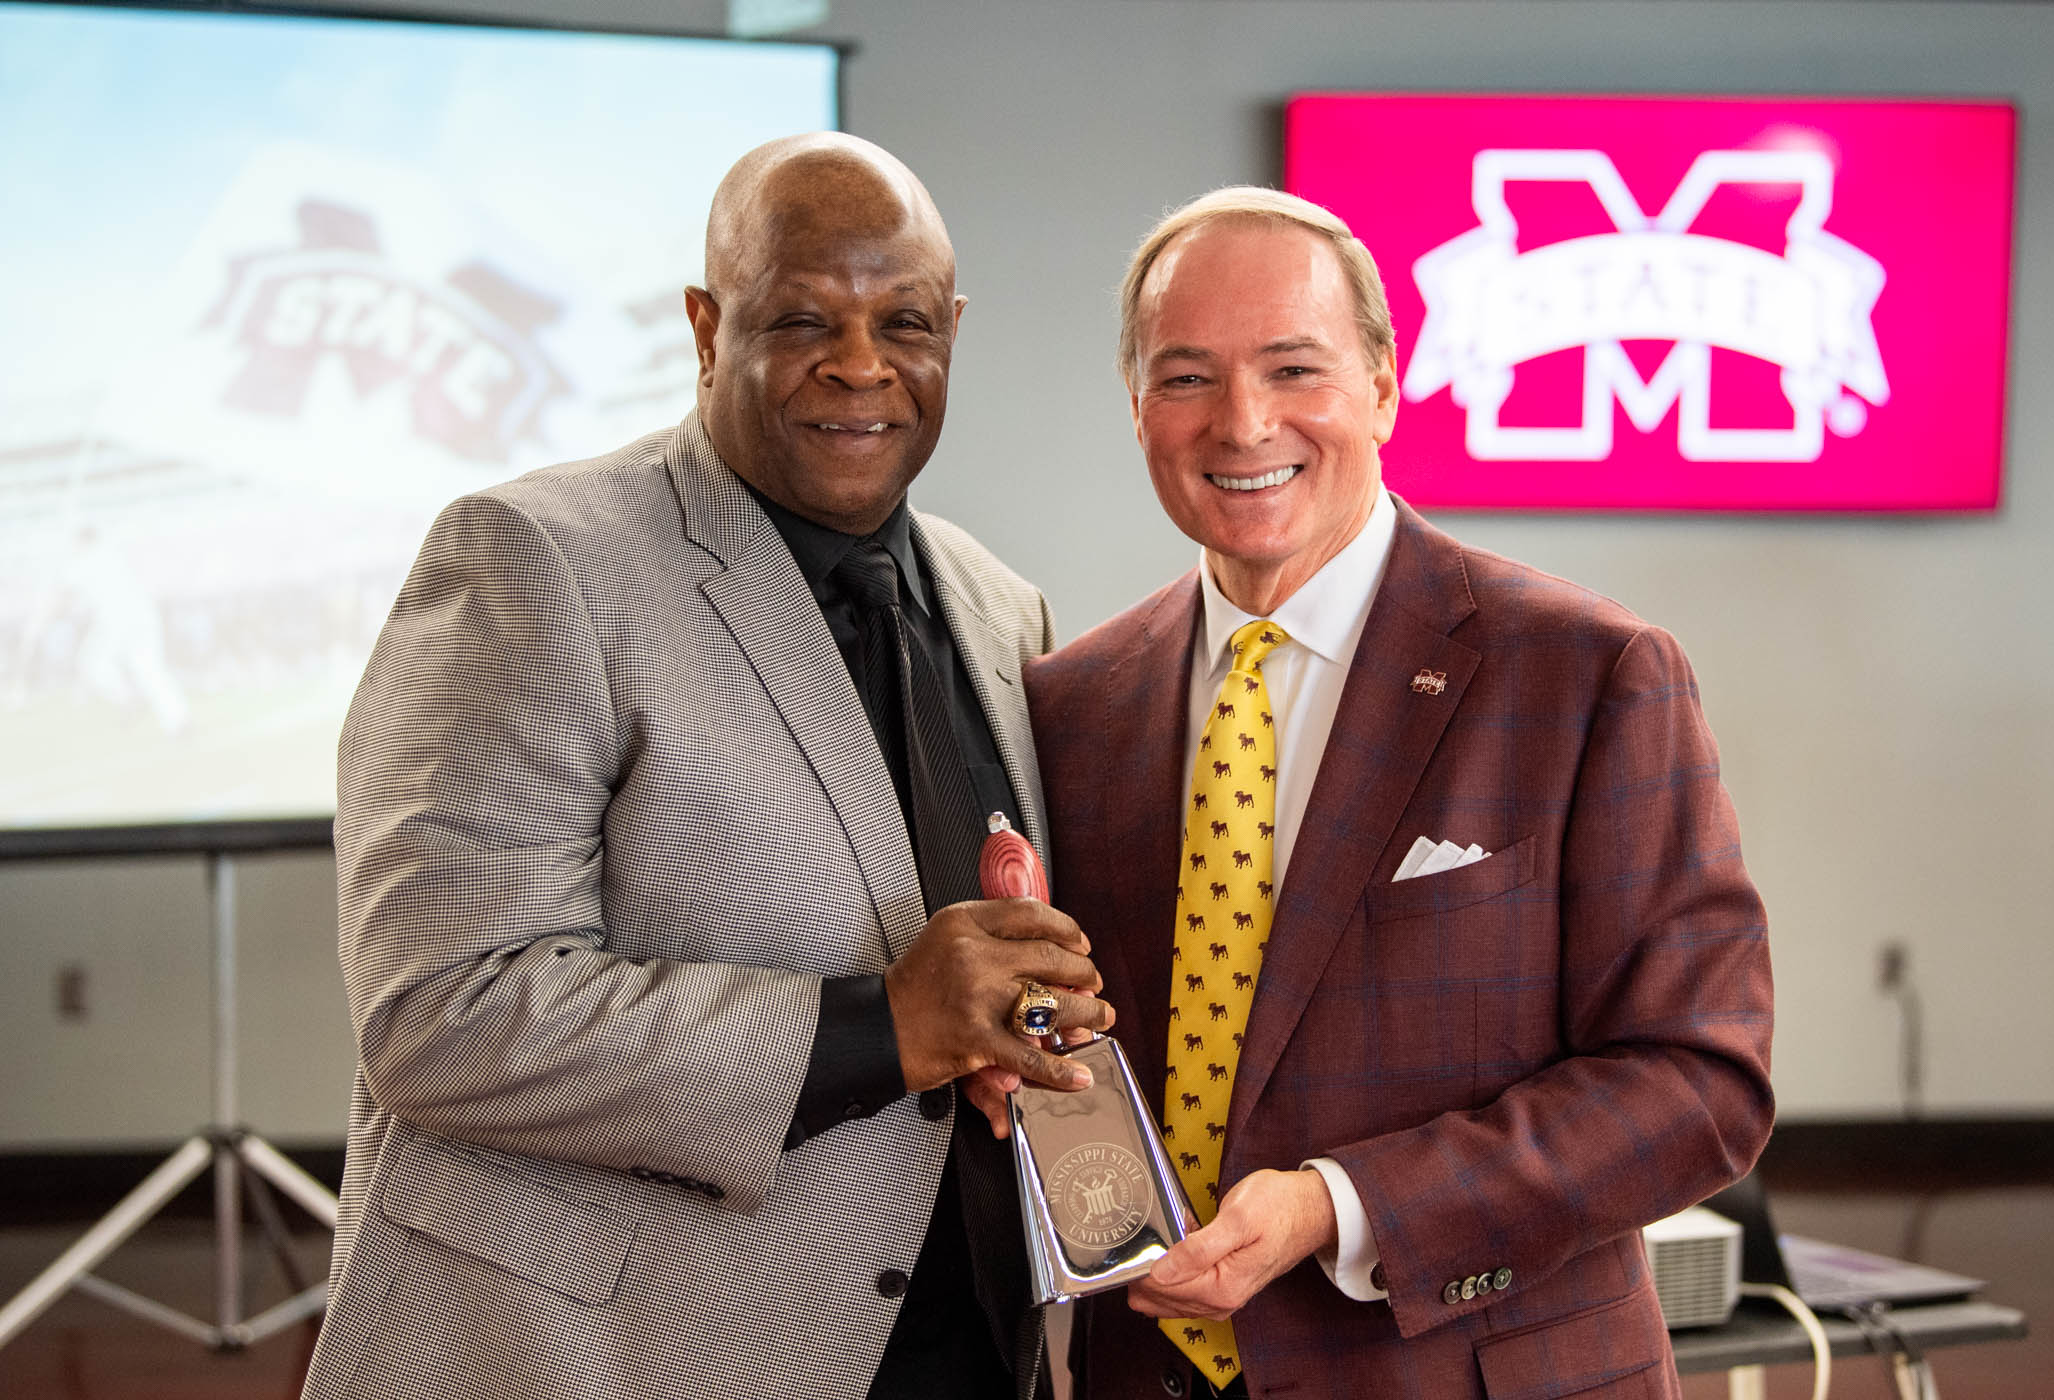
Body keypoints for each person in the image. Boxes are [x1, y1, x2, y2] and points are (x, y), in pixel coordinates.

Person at [304, 133, 1112, 1400]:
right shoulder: (534, 559)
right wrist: (884, 1026)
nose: (861, 363)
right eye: (803, 317)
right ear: (704, 323)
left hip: (961, 1345)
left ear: (952, 328)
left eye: (904, 320)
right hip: (612, 1358)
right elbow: (439, 1015)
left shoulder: (1002, 607)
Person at [1019, 188, 1775, 1398]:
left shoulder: (1587, 673)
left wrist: (1343, 1204)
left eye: (1293, 367)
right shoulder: (1072, 701)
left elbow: (1700, 1082)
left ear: (1382, 384)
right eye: (1186, 378)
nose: (1244, 420)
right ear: (1138, 410)